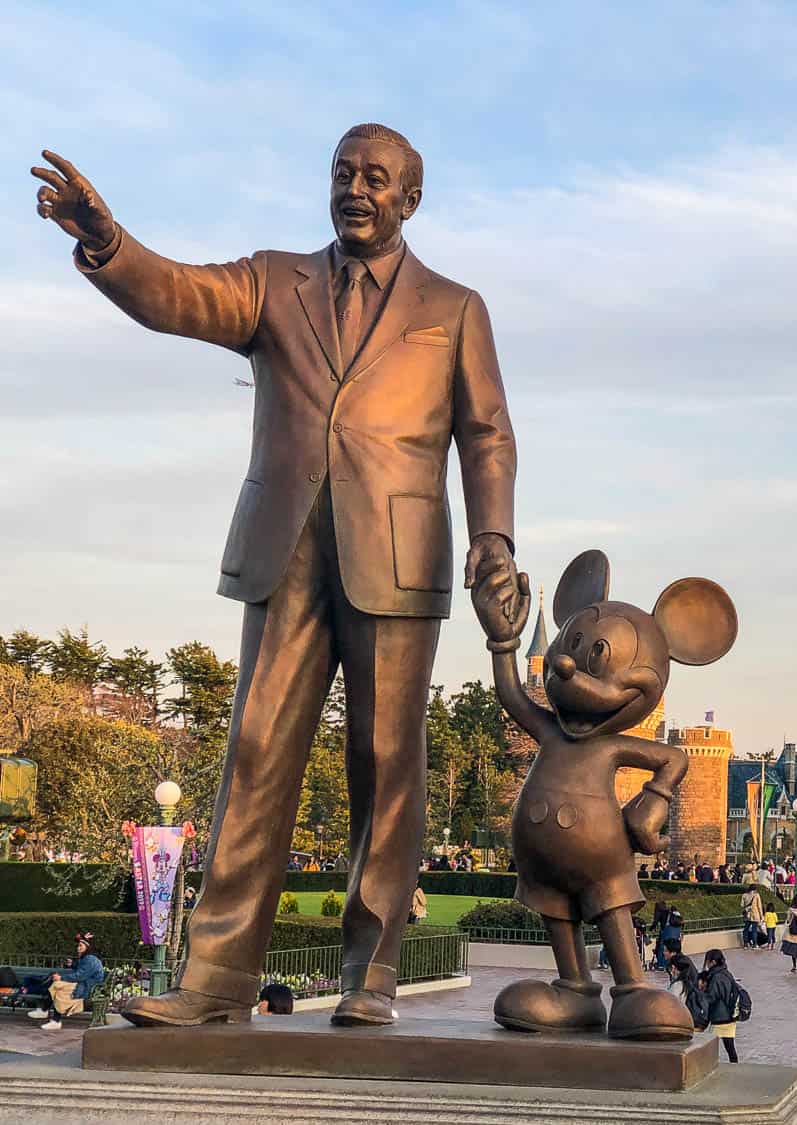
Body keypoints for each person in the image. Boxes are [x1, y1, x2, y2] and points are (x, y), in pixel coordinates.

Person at [34, 129, 521, 1031]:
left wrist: (493, 537)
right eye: (343, 173)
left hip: (398, 555)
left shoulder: (455, 308)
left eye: (376, 179)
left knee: (387, 762)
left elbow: (486, 432)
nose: (355, 189)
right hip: (284, 549)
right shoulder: (273, 281)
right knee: (255, 751)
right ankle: (217, 978)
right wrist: (109, 243)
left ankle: (372, 972)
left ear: (410, 199)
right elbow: (178, 294)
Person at [31, 933, 106, 1031]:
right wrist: (73, 964)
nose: (78, 948)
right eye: (78, 946)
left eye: (80, 946)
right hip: (84, 984)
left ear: (87, 947)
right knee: (56, 985)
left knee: (58, 987)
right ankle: (48, 1014)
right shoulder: (88, 958)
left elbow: (80, 976)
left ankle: (52, 1017)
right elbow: (82, 971)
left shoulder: (90, 959)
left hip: (88, 987)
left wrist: (61, 977)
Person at [698, 949, 741, 1062]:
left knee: (709, 1047)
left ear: (713, 962)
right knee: (730, 1047)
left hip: (719, 1017)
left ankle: (708, 1066)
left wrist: (700, 993)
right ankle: (734, 1066)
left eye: (707, 961)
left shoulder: (716, 977)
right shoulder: (726, 973)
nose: (706, 964)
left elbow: (711, 997)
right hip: (729, 1016)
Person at [740, 885, 765, 950]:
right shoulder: (756, 895)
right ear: (755, 889)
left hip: (747, 915)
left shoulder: (744, 895)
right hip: (755, 915)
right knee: (754, 930)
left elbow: (742, 905)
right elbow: (759, 906)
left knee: (746, 930)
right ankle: (754, 945)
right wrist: (761, 916)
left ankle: (745, 944)